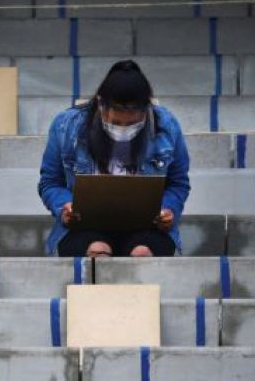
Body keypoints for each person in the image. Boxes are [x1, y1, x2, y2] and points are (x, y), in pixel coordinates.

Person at [37, 60, 191, 257]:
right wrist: (64, 207)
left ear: (146, 110)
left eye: (133, 123)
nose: (124, 128)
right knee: (97, 251)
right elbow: (50, 182)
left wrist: (168, 209)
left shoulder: (167, 126)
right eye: (116, 122)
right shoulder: (66, 125)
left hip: (147, 227)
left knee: (142, 253)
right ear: (101, 105)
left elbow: (178, 183)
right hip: (84, 227)